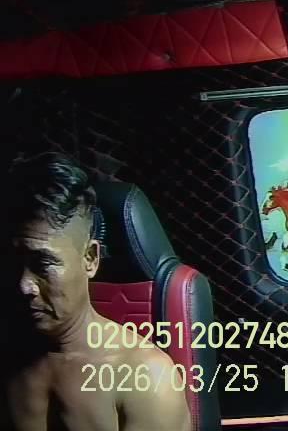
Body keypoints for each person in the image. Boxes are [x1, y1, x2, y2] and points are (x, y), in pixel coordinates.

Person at [2, 152, 191, 431]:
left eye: (42, 265)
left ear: (90, 259)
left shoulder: (144, 377)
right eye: (11, 262)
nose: (23, 285)